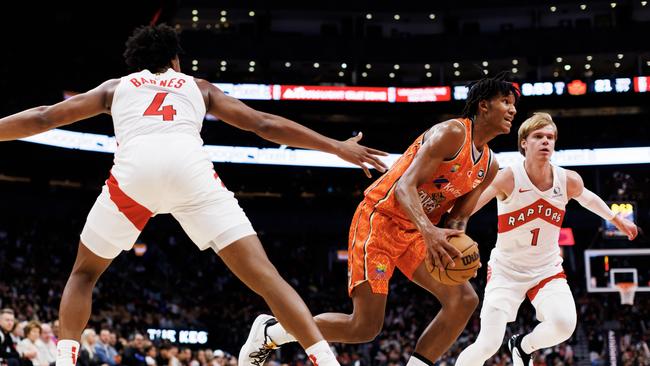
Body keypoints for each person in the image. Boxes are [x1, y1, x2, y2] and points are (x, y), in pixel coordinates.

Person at [0, 24, 389, 366]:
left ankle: (65, 360)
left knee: (84, 274)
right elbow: (263, 124)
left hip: (135, 177)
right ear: (175, 60)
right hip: (192, 176)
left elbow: (44, 116)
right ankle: (324, 358)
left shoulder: (116, 87)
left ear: (136, 62)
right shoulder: (199, 88)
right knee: (268, 278)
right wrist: (336, 147)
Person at [239, 74, 520, 366]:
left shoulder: (489, 165)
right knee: (364, 327)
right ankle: (272, 331)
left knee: (464, 300)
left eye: (514, 105)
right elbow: (403, 187)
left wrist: (456, 247)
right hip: (380, 220)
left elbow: (458, 218)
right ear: (483, 106)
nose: (512, 110)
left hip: (418, 231)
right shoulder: (451, 133)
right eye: (505, 102)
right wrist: (429, 232)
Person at [454, 112, 638, 366]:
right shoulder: (509, 176)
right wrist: (449, 228)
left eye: (550, 137)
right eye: (538, 136)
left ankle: (522, 346)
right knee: (488, 343)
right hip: (506, 270)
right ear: (524, 143)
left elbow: (588, 198)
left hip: (546, 269)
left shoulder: (567, 179)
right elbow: (470, 206)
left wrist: (616, 219)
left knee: (564, 324)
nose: (545, 141)